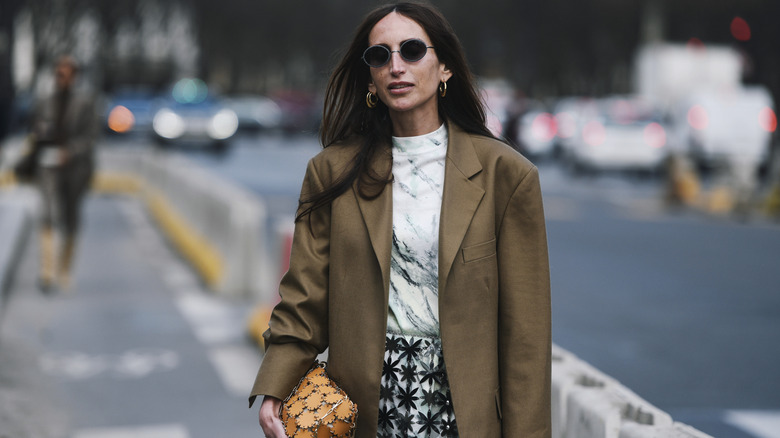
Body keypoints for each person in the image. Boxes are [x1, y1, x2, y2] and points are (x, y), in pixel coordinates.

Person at [250, 3, 551, 437]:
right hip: (362, 408)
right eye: (380, 55)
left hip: (464, 410)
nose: (396, 66)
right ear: (370, 75)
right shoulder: (332, 172)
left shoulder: (507, 175)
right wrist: (276, 385)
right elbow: (305, 299)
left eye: (412, 51)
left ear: (444, 65)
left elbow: (526, 337)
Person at [30, 55, 97, 292]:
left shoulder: (86, 103)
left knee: (70, 217)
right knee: (47, 213)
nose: (62, 79)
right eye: (58, 74)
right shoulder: (45, 101)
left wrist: (70, 152)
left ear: (75, 76)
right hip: (49, 165)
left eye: (66, 74)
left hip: (75, 168)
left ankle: (64, 271)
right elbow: (37, 132)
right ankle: (47, 273)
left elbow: (91, 138)